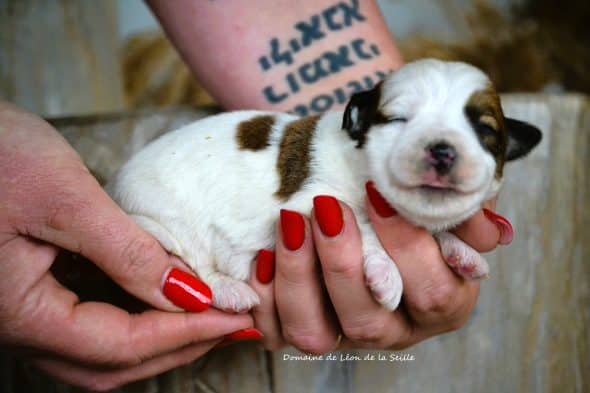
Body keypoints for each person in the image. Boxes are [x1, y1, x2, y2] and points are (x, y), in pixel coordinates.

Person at [0, 1, 507, 390]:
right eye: (400, 119)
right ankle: (196, 270)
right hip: (164, 202)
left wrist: (436, 236)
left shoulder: (348, 145)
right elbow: (317, 208)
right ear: (361, 124)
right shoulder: (330, 158)